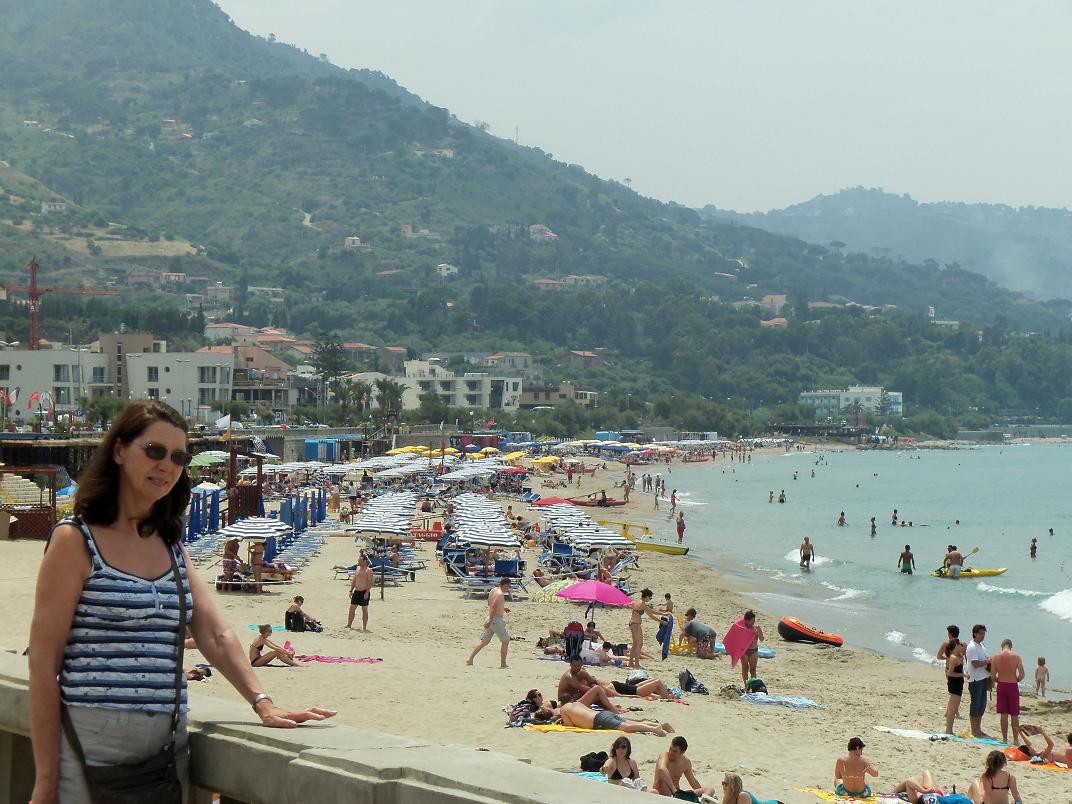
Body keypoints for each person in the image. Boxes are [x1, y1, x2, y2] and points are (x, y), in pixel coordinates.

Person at [29, 400, 334, 804]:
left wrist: (263, 703)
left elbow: (214, 632)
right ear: (118, 451)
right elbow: (43, 663)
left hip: (166, 747)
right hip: (88, 745)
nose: (167, 466)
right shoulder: (75, 541)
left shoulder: (170, 546)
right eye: (154, 451)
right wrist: (46, 778)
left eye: (179, 457)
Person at [466, 577, 512, 668]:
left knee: (484, 641)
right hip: (495, 620)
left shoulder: (493, 590)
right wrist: (490, 621)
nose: (509, 588)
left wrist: (502, 608)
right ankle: (503, 663)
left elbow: (490, 604)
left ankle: (470, 659)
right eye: (509, 586)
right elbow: (493, 607)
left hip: (491, 618)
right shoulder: (500, 594)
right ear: (505, 585)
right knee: (505, 640)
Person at [652, 736, 716, 800]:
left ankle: (702, 800)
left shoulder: (685, 762)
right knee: (663, 778)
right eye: (670, 749)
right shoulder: (664, 755)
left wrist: (704, 795)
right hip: (663, 793)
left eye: (674, 751)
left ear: (682, 752)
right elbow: (662, 769)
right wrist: (674, 790)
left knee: (710, 790)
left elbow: (692, 781)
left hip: (678, 794)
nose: (671, 752)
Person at [558, 701, 673, 736]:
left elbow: (569, 726)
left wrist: (562, 721)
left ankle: (654, 729)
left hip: (599, 721)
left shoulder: (563, 709)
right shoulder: (577, 703)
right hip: (603, 713)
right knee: (629, 722)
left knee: (627, 727)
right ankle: (659, 725)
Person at [991, 638, 1025, 745]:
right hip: (1012, 686)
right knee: (1014, 714)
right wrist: (1016, 680)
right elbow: (1022, 674)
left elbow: (993, 676)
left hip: (1001, 685)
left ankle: (1004, 739)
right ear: (1010, 646)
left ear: (1002, 646)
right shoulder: (1016, 657)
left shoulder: (995, 657)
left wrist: (998, 680)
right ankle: (1015, 740)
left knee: (1004, 714)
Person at [627, 588, 666, 669]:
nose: (650, 599)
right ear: (647, 596)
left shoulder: (637, 602)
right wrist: (661, 621)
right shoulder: (643, 604)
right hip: (636, 624)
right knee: (639, 644)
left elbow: (651, 611)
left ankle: (631, 662)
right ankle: (636, 664)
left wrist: (663, 614)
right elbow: (651, 615)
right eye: (650, 598)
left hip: (632, 623)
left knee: (635, 644)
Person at [966, 624, 992, 738]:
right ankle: (974, 729)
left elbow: (985, 659)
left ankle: (978, 729)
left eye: (984, 633)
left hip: (983, 677)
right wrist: (988, 662)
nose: (983, 635)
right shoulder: (972, 647)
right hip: (975, 679)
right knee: (975, 704)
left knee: (982, 704)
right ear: (975, 633)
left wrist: (989, 661)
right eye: (981, 633)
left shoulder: (981, 645)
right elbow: (975, 664)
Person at [943, 639, 966, 735]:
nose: (963, 648)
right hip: (954, 684)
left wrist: (963, 674)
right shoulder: (953, 657)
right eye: (962, 645)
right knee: (952, 709)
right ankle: (948, 729)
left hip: (959, 683)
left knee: (954, 707)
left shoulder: (959, 656)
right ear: (957, 645)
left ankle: (950, 729)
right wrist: (963, 675)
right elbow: (950, 673)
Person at [346, 554, 374, 631]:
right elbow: (354, 580)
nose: (358, 562)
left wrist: (367, 593)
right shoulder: (358, 568)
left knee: (364, 610)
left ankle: (364, 627)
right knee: (352, 608)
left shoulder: (369, 571)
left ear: (364, 561)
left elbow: (370, 583)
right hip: (356, 591)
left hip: (364, 592)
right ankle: (349, 625)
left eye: (360, 560)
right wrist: (351, 590)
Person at [739, 610, 764, 684]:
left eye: (754, 620)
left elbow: (762, 639)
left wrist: (758, 633)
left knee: (753, 669)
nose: (753, 622)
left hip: (753, 650)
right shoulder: (742, 628)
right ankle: (746, 686)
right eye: (752, 620)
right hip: (744, 651)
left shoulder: (757, 628)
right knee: (745, 668)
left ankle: (753, 686)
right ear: (747, 620)